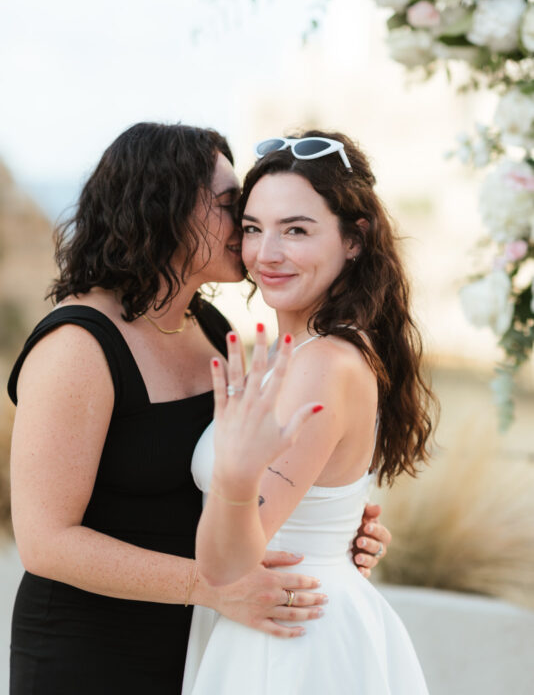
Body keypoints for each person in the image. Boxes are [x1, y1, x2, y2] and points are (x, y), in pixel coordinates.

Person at [7, 122, 391, 694]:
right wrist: (209, 586)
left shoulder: (208, 326)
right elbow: (43, 541)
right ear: (163, 211)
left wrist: (326, 520)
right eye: (231, 206)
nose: (245, 227)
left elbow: (237, 472)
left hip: (202, 638)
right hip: (91, 649)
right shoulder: (78, 346)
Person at [183, 131, 435, 694]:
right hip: (279, 618)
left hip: (295, 637)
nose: (265, 254)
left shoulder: (325, 363)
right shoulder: (293, 356)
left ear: (354, 239)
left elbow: (225, 568)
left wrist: (236, 478)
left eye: (295, 230)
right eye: (252, 229)